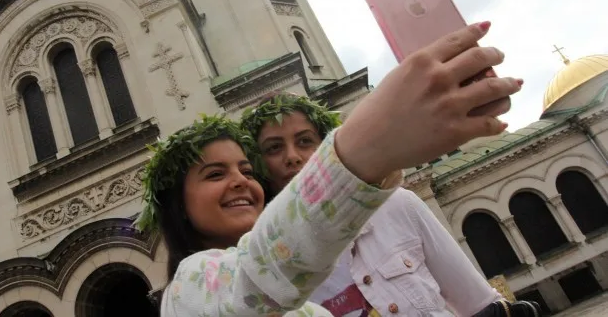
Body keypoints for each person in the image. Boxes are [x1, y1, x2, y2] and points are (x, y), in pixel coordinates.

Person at [137, 23, 524, 316]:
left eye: (245, 169)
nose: (240, 180)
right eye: (215, 174)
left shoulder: (305, 301)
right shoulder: (190, 287)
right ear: (178, 206)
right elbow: (257, 274)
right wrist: (371, 143)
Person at [241, 92, 504, 316]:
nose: (293, 157)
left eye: (305, 141)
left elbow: (479, 305)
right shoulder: (266, 262)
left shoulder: (397, 205)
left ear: (327, 145)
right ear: (260, 166)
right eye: (274, 148)